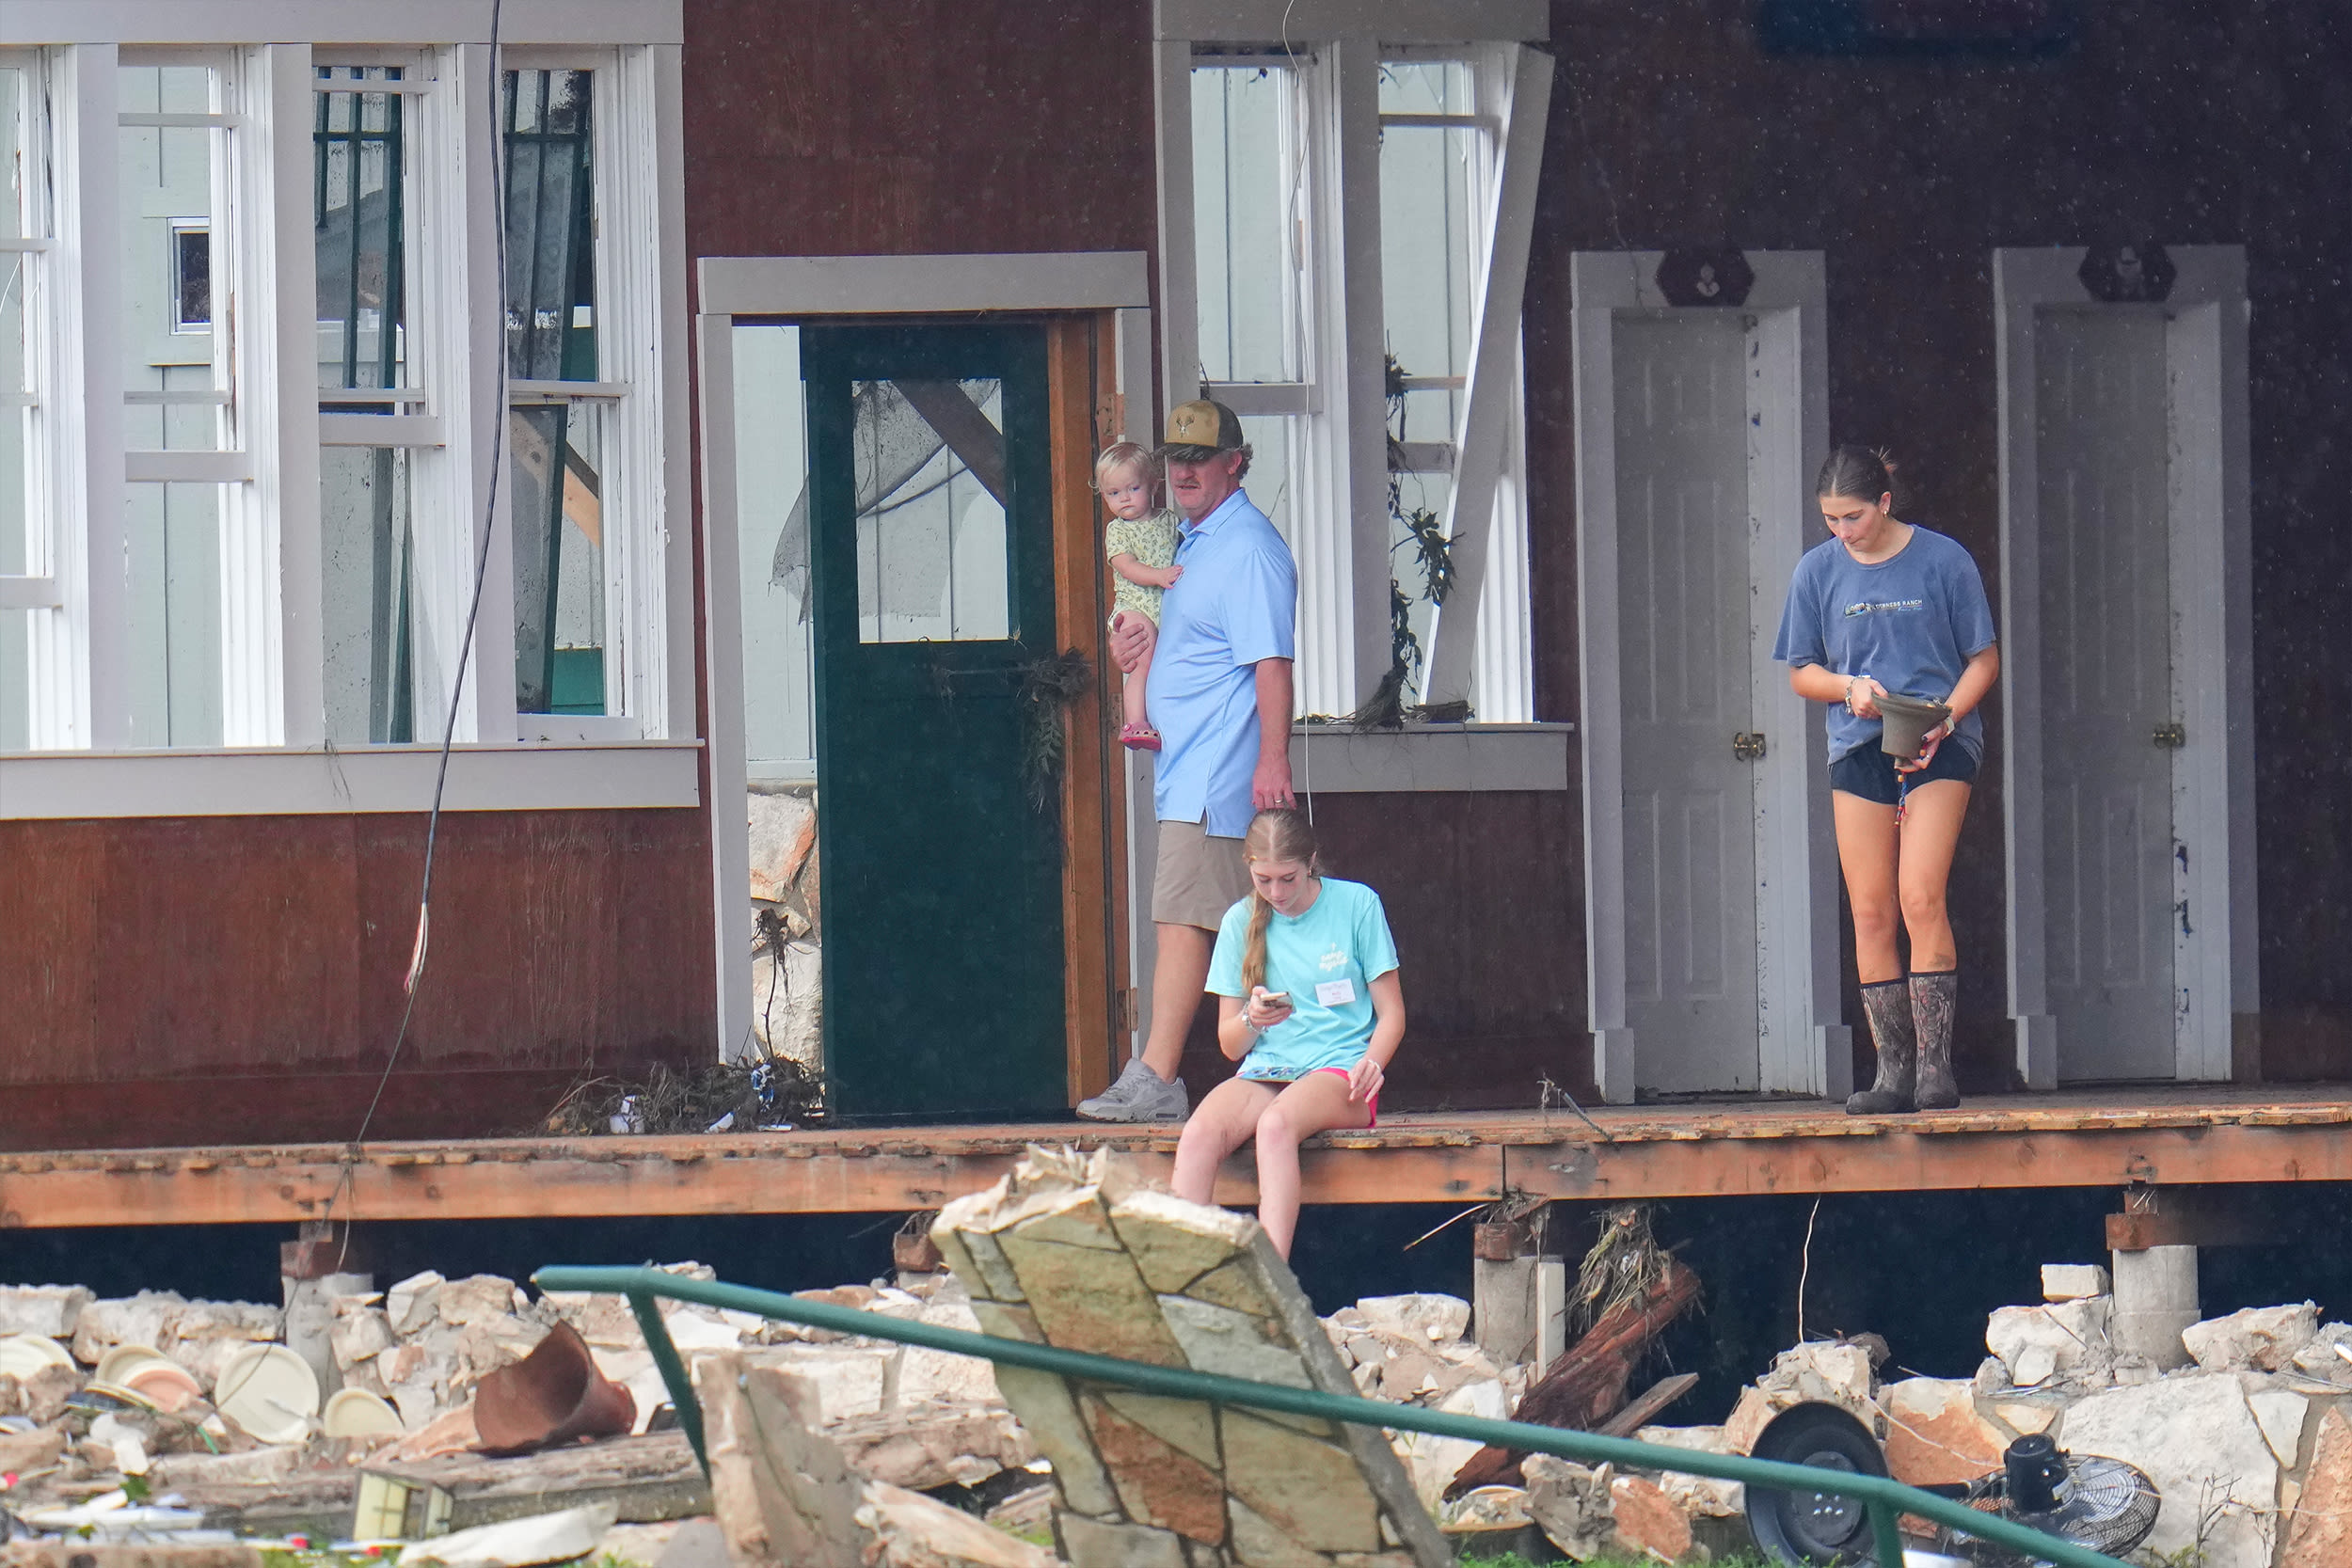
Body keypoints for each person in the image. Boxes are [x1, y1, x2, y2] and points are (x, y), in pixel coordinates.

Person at [1076, 400, 1298, 1122]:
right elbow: (1176, 632)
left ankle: (1159, 1077)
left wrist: (1272, 761)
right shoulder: (1194, 540)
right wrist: (1132, 645)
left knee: (1185, 919)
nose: (1184, 471)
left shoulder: (1250, 548)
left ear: (1235, 460)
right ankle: (1263, 1076)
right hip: (1187, 772)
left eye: (1200, 458)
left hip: (1217, 774)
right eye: (1175, 459)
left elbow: (1271, 664)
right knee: (1232, 924)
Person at [1773, 446, 2000, 1115]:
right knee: (1870, 907)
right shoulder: (1817, 572)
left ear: (1885, 503)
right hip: (1858, 741)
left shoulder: (1944, 560)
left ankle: (1936, 1068)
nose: (1842, 531)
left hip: (1937, 737)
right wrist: (1849, 689)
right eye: (1830, 519)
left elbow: (1983, 660)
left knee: (1919, 893)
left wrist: (1945, 719)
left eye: (1852, 516)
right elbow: (1801, 671)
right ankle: (1891, 1071)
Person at [1169, 808, 1401, 1258]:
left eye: (1288, 879)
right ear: (1249, 870)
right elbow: (1229, 1044)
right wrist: (1252, 1019)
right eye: (1264, 880)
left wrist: (1373, 1062)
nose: (1276, 892)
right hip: (1266, 1068)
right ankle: (1183, 1276)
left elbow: (1392, 1014)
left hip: (1341, 1069)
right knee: (1197, 1134)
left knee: (1274, 1127)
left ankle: (1271, 1282)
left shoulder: (1357, 904)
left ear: (1310, 862)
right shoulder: (1240, 921)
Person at [1094, 441, 1183, 751]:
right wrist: (1159, 576)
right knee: (1143, 661)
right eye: (1113, 493)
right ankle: (1135, 721)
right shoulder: (1118, 530)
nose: (1124, 499)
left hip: (1162, 605)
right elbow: (1126, 566)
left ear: (1154, 485)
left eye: (1133, 488)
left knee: (1159, 660)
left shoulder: (1169, 520)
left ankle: (1156, 717)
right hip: (1136, 606)